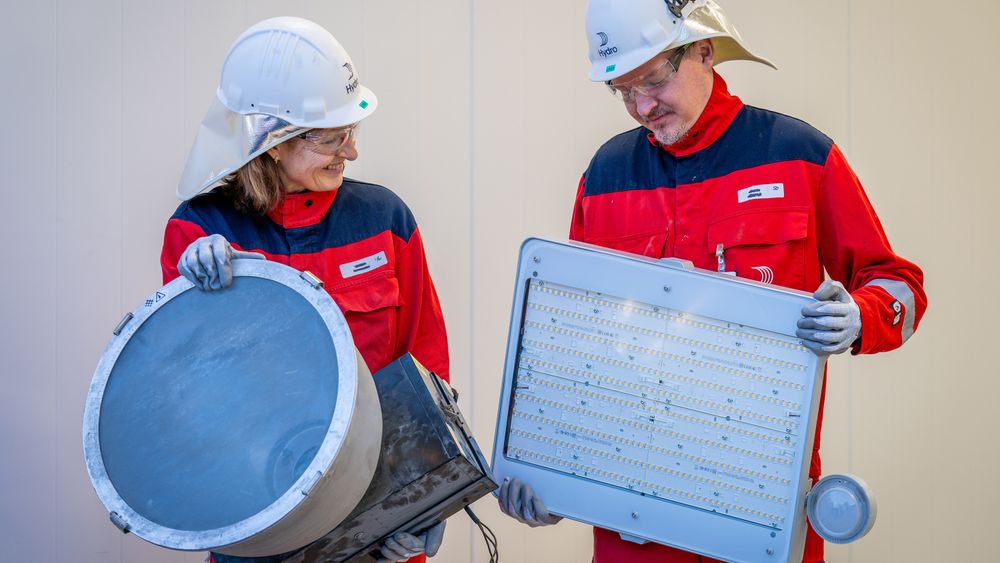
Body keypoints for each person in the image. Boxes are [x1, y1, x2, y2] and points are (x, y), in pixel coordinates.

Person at [497, 1, 927, 562]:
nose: (642, 106)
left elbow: (899, 285)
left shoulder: (798, 157)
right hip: (631, 521)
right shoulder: (603, 178)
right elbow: (577, 346)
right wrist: (551, 472)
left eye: (652, 80)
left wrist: (860, 317)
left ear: (704, 50)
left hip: (762, 512)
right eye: (622, 91)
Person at [159, 16, 448, 563]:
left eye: (352, 132)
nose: (352, 151)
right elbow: (189, 398)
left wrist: (427, 497)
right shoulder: (198, 233)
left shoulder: (386, 220)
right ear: (271, 143)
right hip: (259, 523)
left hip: (378, 517)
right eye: (332, 138)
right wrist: (191, 298)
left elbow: (426, 366)